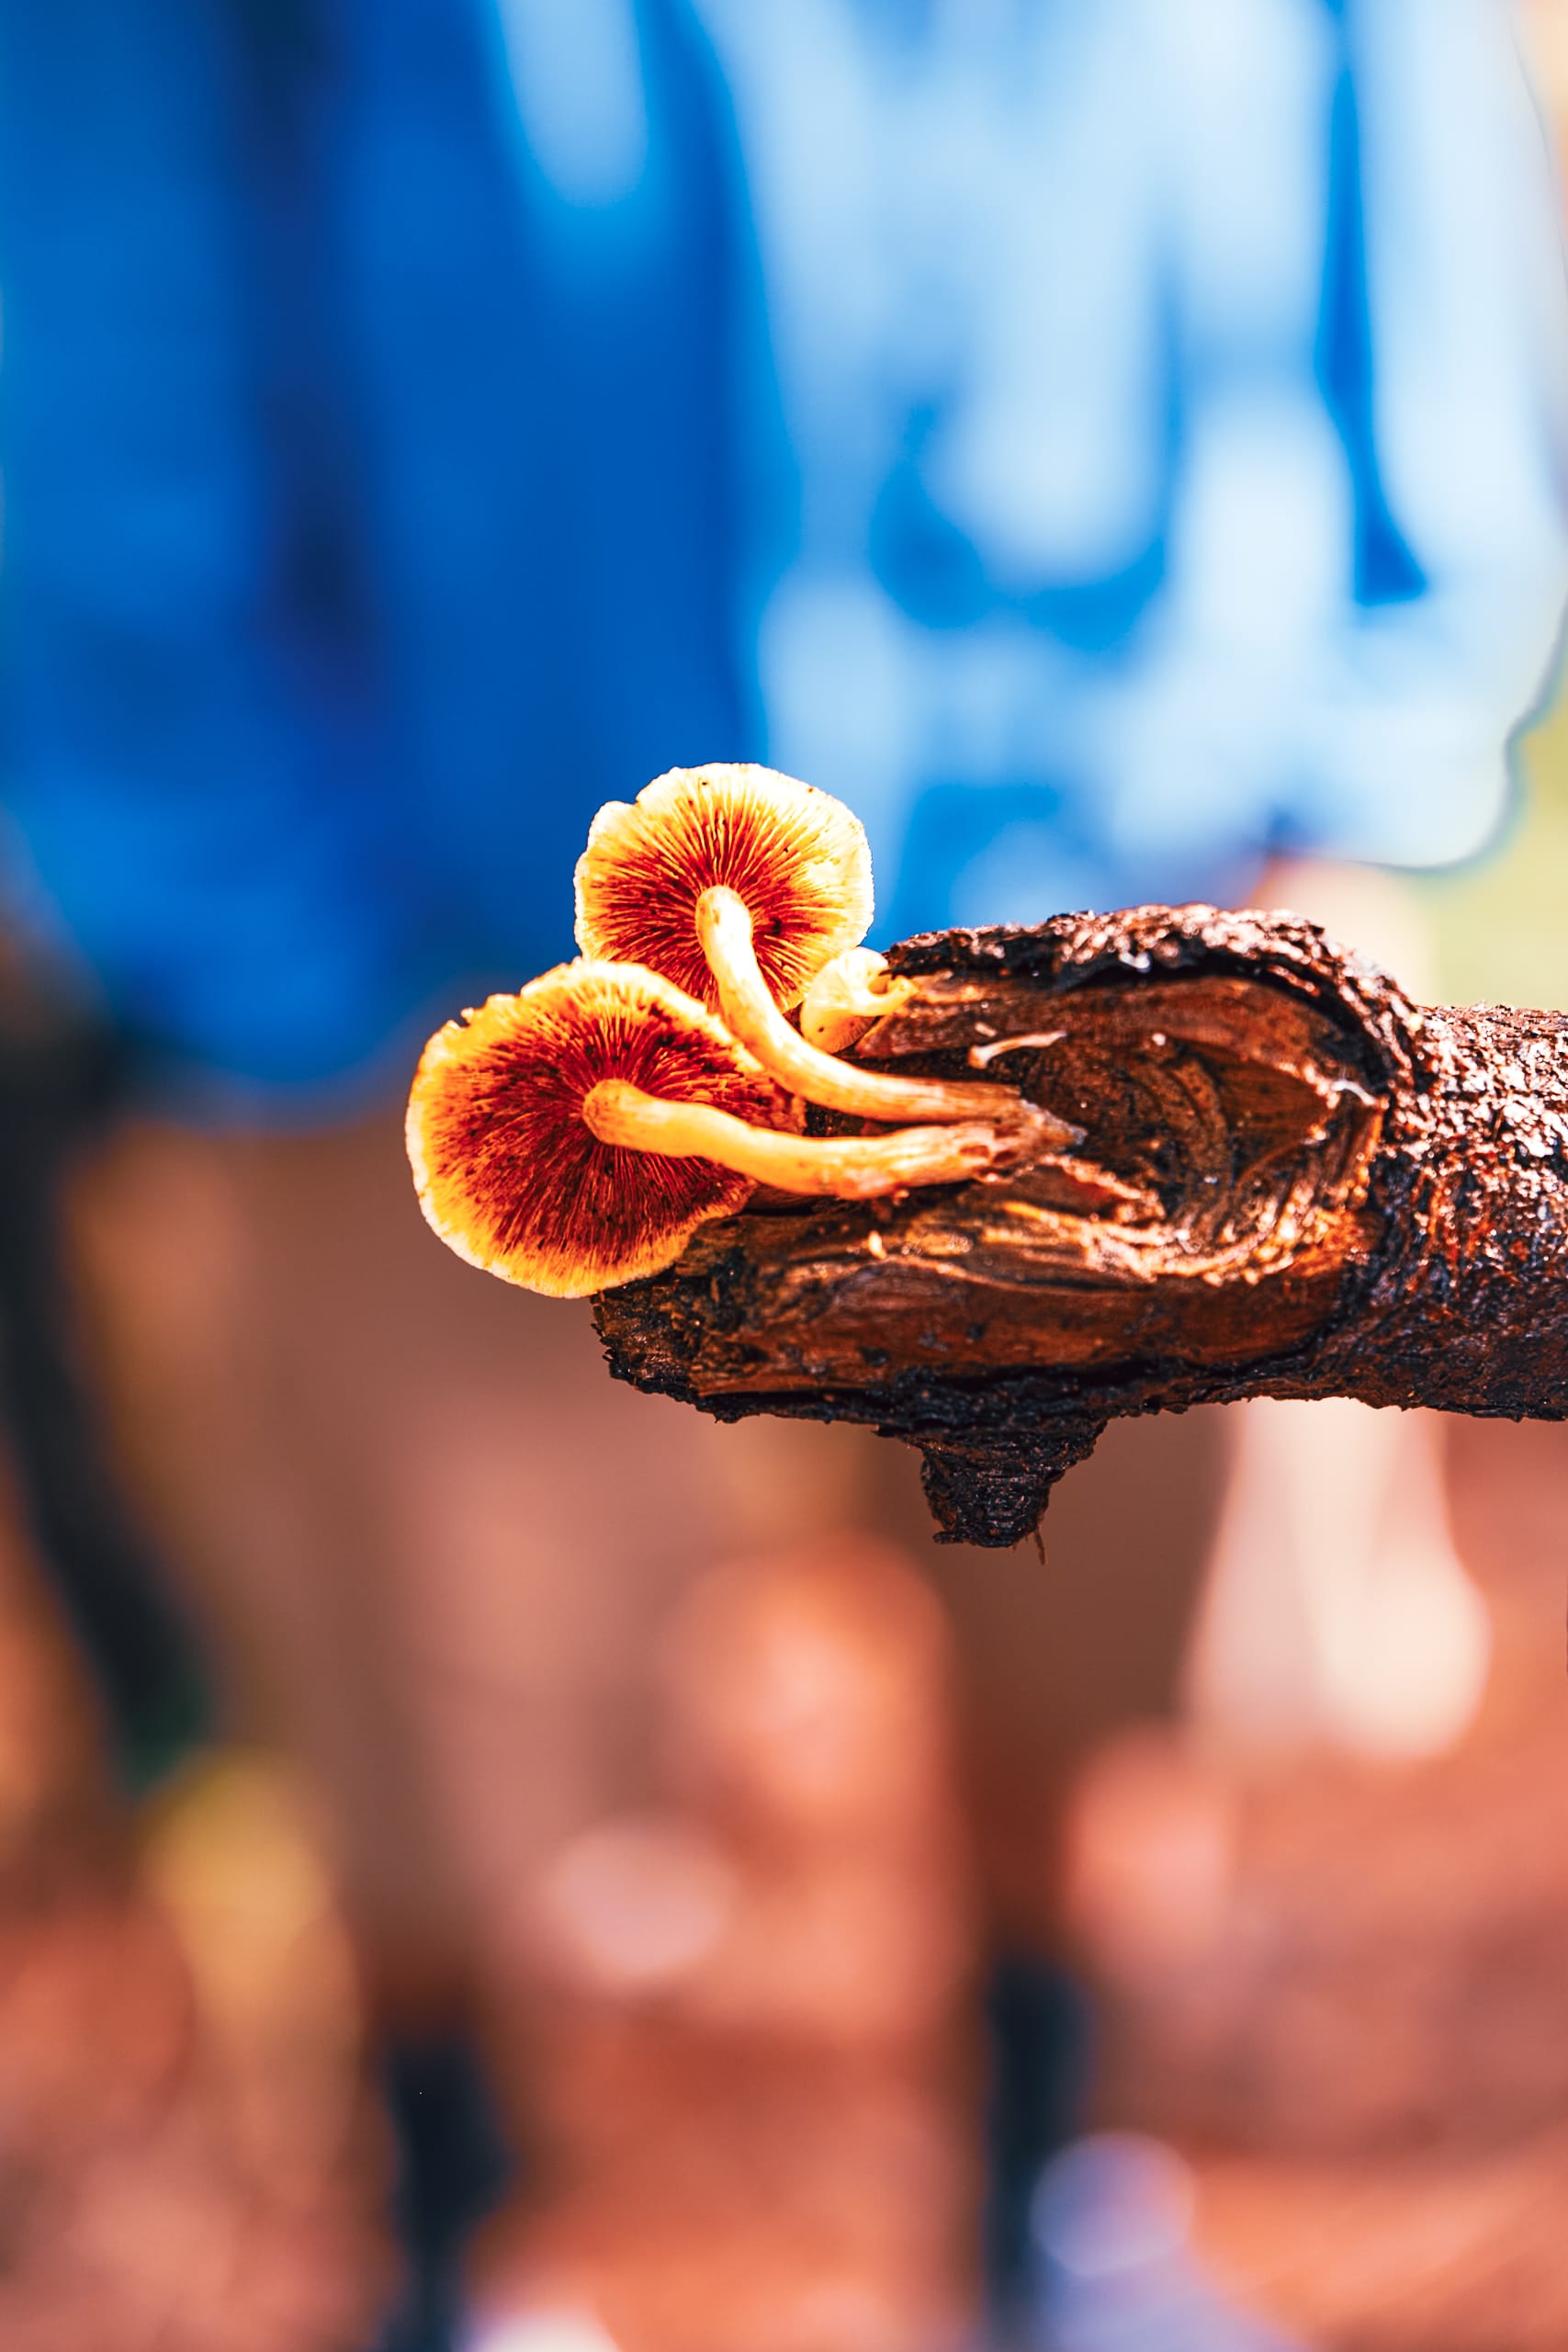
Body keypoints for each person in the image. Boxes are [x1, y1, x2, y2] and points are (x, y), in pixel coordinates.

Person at [0, 3, 1563, 2343]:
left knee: (1113, 1655)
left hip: (1129, 896)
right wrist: (265, 921)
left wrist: (1343, 744)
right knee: (452, 1691)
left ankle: (1045, 2206)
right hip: (452, 946)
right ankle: (462, 2234)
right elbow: (99, 313)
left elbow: (1403, 226)